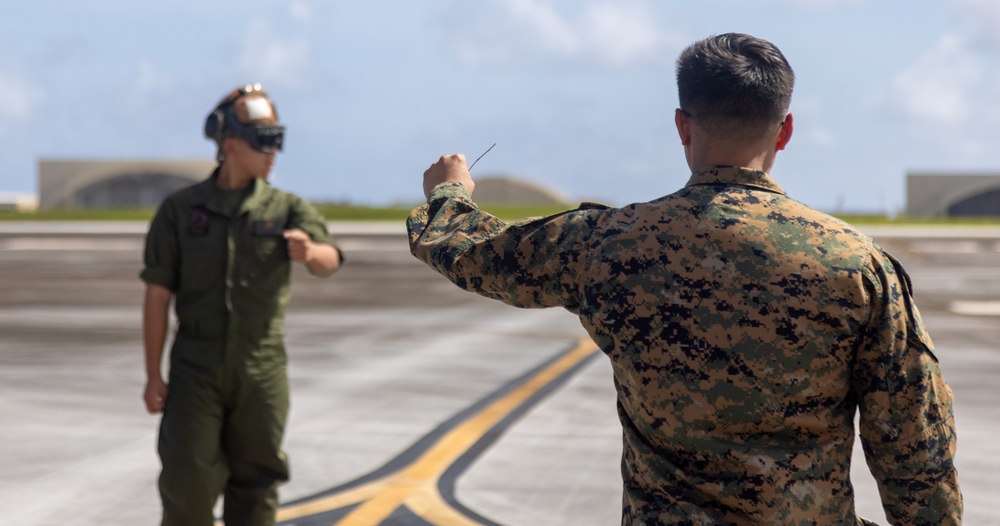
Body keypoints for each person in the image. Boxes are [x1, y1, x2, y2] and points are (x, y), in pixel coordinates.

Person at [407, 34, 961, 525]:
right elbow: (914, 446)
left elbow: (472, 254)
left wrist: (449, 193)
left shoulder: (611, 242)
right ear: (785, 129)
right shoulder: (855, 264)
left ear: (682, 124)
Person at [141, 84, 342, 526]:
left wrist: (309, 252)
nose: (273, 153)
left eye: (277, 141)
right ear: (229, 143)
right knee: (186, 484)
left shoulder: (287, 208)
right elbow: (157, 296)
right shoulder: (180, 211)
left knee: (256, 488)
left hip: (261, 367)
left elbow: (331, 259)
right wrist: (153, 374)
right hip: (196, 368)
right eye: (262, 141)